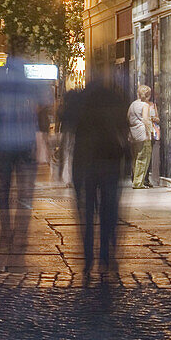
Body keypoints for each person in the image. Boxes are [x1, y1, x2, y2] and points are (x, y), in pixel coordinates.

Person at [68, 70, 127, 279]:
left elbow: (70, 128)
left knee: (87, 213)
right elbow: (123, 131)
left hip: (86, 164)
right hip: (109, 161)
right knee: (108, 211)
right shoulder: (115, 99)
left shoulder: (81, 101)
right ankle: (105, 255)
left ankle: (88, 258)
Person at [0, 45, 43, 251]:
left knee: (3, 190)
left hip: (2, 142)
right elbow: (44, 101)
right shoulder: (29, 75)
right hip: (25, 141)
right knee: (25, 191)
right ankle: (21, 233)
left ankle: (5, 232)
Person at [127, 84, 152, 189]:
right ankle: (138, 183)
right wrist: (149, 131)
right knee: (143, 157)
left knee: (135, 157)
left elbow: (128, 117)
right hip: (142, 133)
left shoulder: (133, 104)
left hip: (133, 133)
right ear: (148, 95)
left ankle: (135, 179)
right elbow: (145, 119)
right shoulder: (145, 105)